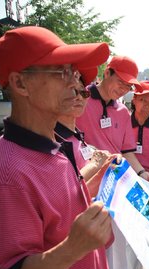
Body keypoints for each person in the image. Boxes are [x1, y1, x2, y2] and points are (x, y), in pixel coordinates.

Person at [0, 26, 113, 269]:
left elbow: (59, 206)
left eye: (73, 71)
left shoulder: (56, 142)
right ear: (20, 83)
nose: (75, 81)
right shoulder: (8, 171)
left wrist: (97, 180)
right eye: (61, 71)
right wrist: (74, 246)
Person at [76, 55, 149, 269]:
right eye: (120, 82)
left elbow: (126, 150)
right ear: (107, 72)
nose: (123, 89)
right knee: (89, 241)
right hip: (85, 183)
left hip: (116, 180)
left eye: (127, 86)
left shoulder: (122, 111)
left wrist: (142, 173)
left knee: (119, 238)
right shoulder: (80, 100)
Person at [55, 67, 113, 196]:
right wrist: (94, 164)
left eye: (84, 93)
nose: (79, 97)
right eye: (72, 91)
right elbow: (61, 195)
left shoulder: (75, 134)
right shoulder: (52, 140)